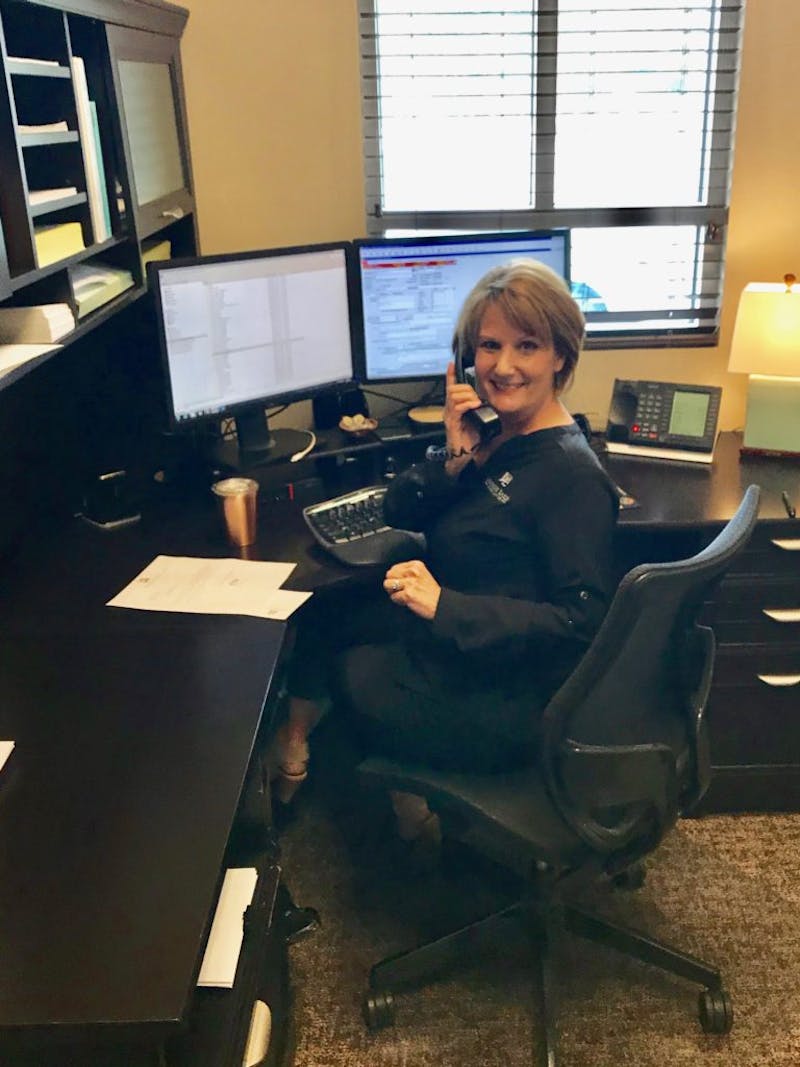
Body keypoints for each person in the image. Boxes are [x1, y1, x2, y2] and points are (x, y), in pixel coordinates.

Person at [270, 258, 619, 844]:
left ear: (561, 355)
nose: (502, 367)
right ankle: (297, 746)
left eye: (526, 346)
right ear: (466, 357)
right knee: (326, 610)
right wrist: (456, 456)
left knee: (350, 669)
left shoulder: (570, 476)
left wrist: (444, 606)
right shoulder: (500, 439)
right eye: (488, 346)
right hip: (464, 652)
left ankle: (416, 815)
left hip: (503, 699)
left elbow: (582, 623)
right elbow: (398, 511)